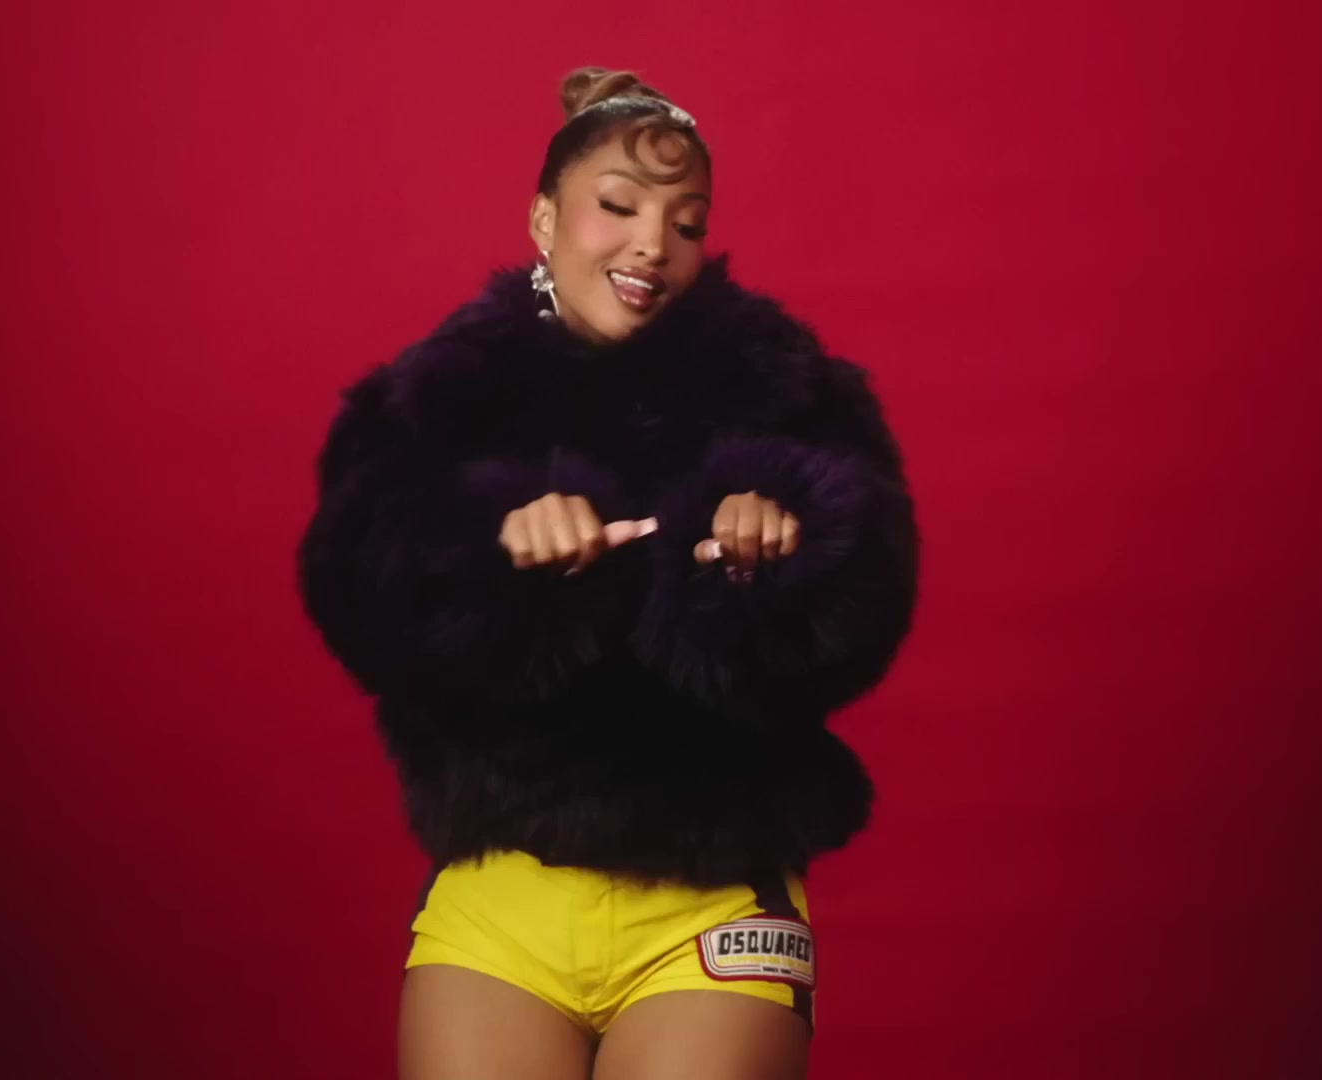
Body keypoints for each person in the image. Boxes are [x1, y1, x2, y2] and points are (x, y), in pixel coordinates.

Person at [297, 66, 920, 1080]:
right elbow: (357, 587)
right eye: (619, 207)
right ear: (544, 218)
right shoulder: (445, 394)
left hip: (712, 898)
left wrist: (781, 547)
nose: (652, 244)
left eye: (686, 222)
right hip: (501, 893)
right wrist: (489, 548)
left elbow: (873, 591)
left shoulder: (782, 391)